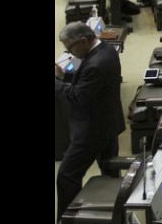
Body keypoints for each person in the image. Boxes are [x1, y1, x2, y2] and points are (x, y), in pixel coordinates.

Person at [55, 22, 125, 222]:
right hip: (108, 122)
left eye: (70, 48)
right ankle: (112, 214)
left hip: (92, 130)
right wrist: (65, 75)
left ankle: (66, 220)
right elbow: (89, 84)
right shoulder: (106, 50)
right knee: (109, 169)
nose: (69, 52)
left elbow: (78, 96)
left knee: (67, 176)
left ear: (83, 41)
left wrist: (56, 83)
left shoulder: (96, 63)